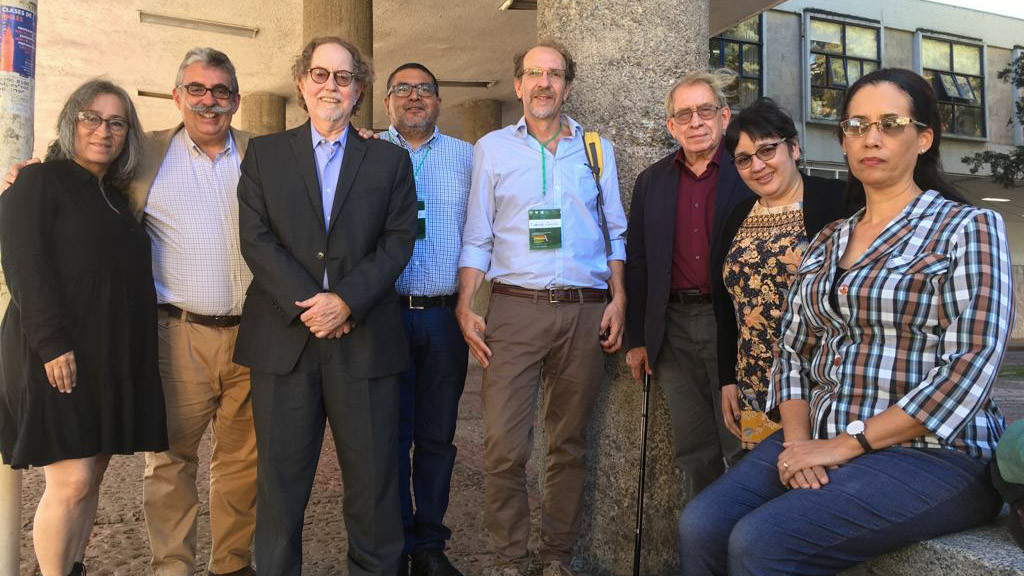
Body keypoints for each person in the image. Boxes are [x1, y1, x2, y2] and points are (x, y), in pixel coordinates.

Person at [678, 67, 1011, 576]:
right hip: (821, 430)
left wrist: (845, 444)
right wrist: (797, 444)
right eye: (856, 126)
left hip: (934, 451)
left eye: (890, 124)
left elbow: (970, 363)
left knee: (761, 542)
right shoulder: (830, 238)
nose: (870, 138)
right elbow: (792, 348)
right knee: (701, 523)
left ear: (924, 138)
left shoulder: (967, 228)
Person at [4, 48, 258, 576]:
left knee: (234, 465)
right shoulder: (137, 157)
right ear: (177, 96)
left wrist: (363, 136)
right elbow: (26, 261)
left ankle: (230, 565)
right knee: (149, 465)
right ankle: (169, 568)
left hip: (225, 338)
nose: (208, 101)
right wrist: (23, 176)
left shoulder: (263, 154)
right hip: (146, 338)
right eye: (196, 89)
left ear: (235, 100)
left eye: (220, 91)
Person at [234, 36, 417, 576]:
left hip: (365, 339)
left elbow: (398, 241)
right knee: (279, 485)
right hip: (284, 342)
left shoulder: (390, 160)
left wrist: (346, 301)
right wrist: (313, 306)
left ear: (358, 89)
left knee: (374, 483)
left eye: (343, 76)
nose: (330, 86)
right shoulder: (265, 155)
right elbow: (256, 240)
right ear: (301, 83)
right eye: (320, 74)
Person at [456, 40, 627, 576]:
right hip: (515, 310)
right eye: (534, 73)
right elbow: (477, 235)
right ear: (518, 85)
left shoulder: (597, 149)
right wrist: (465, 304)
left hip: (584, 311)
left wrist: (620, 297)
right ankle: (510, 558)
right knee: (504, 446)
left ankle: (556, 557)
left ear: (567, 87)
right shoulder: (492, 148)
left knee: (568, 444)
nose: (544, 83)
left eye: (554, 74)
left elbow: (615, 232)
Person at [0, 79, 167, 576]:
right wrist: (52, 344)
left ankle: (73, 565)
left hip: (107, 353)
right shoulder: (38, 182)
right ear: (70, 121)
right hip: (54, 350)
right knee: (71, 479)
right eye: (91, 118)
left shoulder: (117, 197)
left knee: (92, 474)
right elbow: (24, 267)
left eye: (117, 122)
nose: (103, 131)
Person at [625, 69, 752, 497]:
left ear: (724, 117)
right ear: (671, 126)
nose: (695, 122)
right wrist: (638, 338)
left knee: (743, 441)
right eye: (685, 114)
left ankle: (747, 535)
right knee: (693, 448)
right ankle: (703, 532)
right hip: (672, 331)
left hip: (732, 325)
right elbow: (638, 262)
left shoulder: (748, 173)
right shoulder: (652, 181)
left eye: (705, 111)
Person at [380, 63, 472, 576]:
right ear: (387, 101)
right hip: (384, 316)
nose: (414, 96)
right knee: (389, 435)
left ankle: (430, 545)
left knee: (437, 436)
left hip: (443, 317)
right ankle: (394, 541)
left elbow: (482, 231)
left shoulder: (467, 156)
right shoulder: (367, 151)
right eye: (403, 89)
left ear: (439, 100)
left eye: (424, 89)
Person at [713, 97, 848, 450]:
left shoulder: (839, 201)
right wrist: (727, 379)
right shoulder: (737, 216)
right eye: (744, 159)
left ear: (794, 148)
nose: (757, 165)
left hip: (821, 384)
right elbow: (726, 307)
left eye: (767, 150)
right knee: (761, 473)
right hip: (754, 383)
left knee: (817, 474)